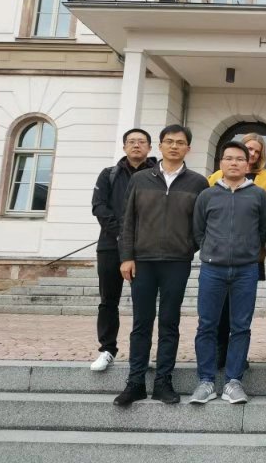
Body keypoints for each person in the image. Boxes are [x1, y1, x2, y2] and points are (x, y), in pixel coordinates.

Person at [114, 125, 209, 406]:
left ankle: (163, 382)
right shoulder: (142, 179)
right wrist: (126, 256)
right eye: (169, 142)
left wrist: (187, 248)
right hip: (142, 261)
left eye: (180, 143)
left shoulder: (197, 183)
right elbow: (128, 220)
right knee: (141, 323)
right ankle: (135, 382)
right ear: (160, 145)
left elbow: (200, 225)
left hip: (176, 262)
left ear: (188, 148)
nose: (174, 146)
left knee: (169, 322)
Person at [190, 141, 266, 405]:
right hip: (212, 269)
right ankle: (206, 381)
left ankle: (233, 382)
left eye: (240, 159)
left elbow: (264, 229)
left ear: (248, 164)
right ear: (221, 163)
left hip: (245, 270)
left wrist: (249, 251)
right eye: (229, 158)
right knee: (207, 325)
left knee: (240, 326)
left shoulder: (258, 195)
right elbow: (198, 230)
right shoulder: (207, 195)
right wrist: (212, 249)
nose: (234, 163)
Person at [90, 128, 155, 372]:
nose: (136, 145)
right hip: (110, 246)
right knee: (108, 300)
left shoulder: (156, 175)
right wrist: (121, 235)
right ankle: (107, 349)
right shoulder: (109, 175)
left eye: (141, 142)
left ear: (149, 147)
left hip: (145, 248)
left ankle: (140, 352)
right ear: (124, 146)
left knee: (144, 303)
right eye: (131, 142)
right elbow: (99, 207)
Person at [207, 133, 266, 370]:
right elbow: (204, 217)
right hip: (219, 254)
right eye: (249, 149)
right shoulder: (216, 178)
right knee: (219, 309)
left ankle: (237, 357)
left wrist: (257, 246)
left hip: (250, 253)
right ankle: (218, 352)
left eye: (256, 150)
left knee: (241, 311)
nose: (253, 153)